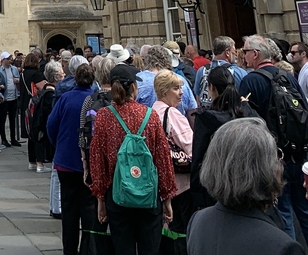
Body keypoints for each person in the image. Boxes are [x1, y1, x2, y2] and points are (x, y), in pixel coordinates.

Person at [90, 63, 176, 255]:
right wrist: (167, 197)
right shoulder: (150, 115)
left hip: (118, 194)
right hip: (148, 195)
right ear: (134, 87)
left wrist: (101, 198)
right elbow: (163, 159)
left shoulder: (104, 117)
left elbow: (97, 160)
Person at [186, 117, 303, 255]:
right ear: (264, 170)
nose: (280, 164)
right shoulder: (283, 246)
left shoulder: (198, 221)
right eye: (276, 157)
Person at [238, 34, 308, 239]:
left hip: (272, 156)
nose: (243, 55)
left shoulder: (250, 81)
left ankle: (289, 249)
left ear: (255, 54)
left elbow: (245, 122)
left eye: (245, 51)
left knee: (282, 213)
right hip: (298, 153)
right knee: (304, 210)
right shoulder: (287, 76)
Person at [191, 65, 259, 208]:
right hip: (250, 182)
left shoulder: (207, 119)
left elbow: (199, 157)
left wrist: (197, 196)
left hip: (217, 188)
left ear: (211, 87)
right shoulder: (249, 112)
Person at [47, 62, 97, 255]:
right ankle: (86, 249)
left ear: (75, 78)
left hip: (65, 160)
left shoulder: (65, 98)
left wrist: (59, 144)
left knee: (69, 210)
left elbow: (51, 125)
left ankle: (69, 250)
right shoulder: (95, 100)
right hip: (88, 163)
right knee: (88, 209)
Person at [152, 70, 194, 255]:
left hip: (158, 183)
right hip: (180, 183)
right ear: (164, 91)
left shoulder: (151, 112)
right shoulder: (172, 115)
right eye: (176, 88)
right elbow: (191, 147)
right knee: (182, 231)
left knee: (165, 231)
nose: (181, 93)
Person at [137, 47, 196, 116]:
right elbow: (192, 111)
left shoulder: (138, 80)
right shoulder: (180, 79)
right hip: (177, 121)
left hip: (146, 121)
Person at [193, 36, 247, 107]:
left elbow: (198, 99)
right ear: (227, 52)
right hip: (230, 112)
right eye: (234, 51)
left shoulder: (201, 71)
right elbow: (245, 97)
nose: (236, 54)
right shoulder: (238, 72)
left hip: (207, 112)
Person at [20, 50, 46, 170]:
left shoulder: (23, 74)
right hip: (35, 105)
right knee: (38, 133)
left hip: (26, 104)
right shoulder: (36, 74)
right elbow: (43, 88)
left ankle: (32, 161)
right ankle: (40, 162)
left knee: (31, 134)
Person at [0, 52, 21, 147]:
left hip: (13, 96)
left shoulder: (14, 68)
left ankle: (13, 138)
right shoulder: (0, 70)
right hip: (4, 97)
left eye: (10, 58)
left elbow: (18, 78)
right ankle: (3, 139)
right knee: (3, 119)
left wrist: (17, 80)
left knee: (12, 118)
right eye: (8, 59)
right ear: (3, 60)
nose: (10, 60)